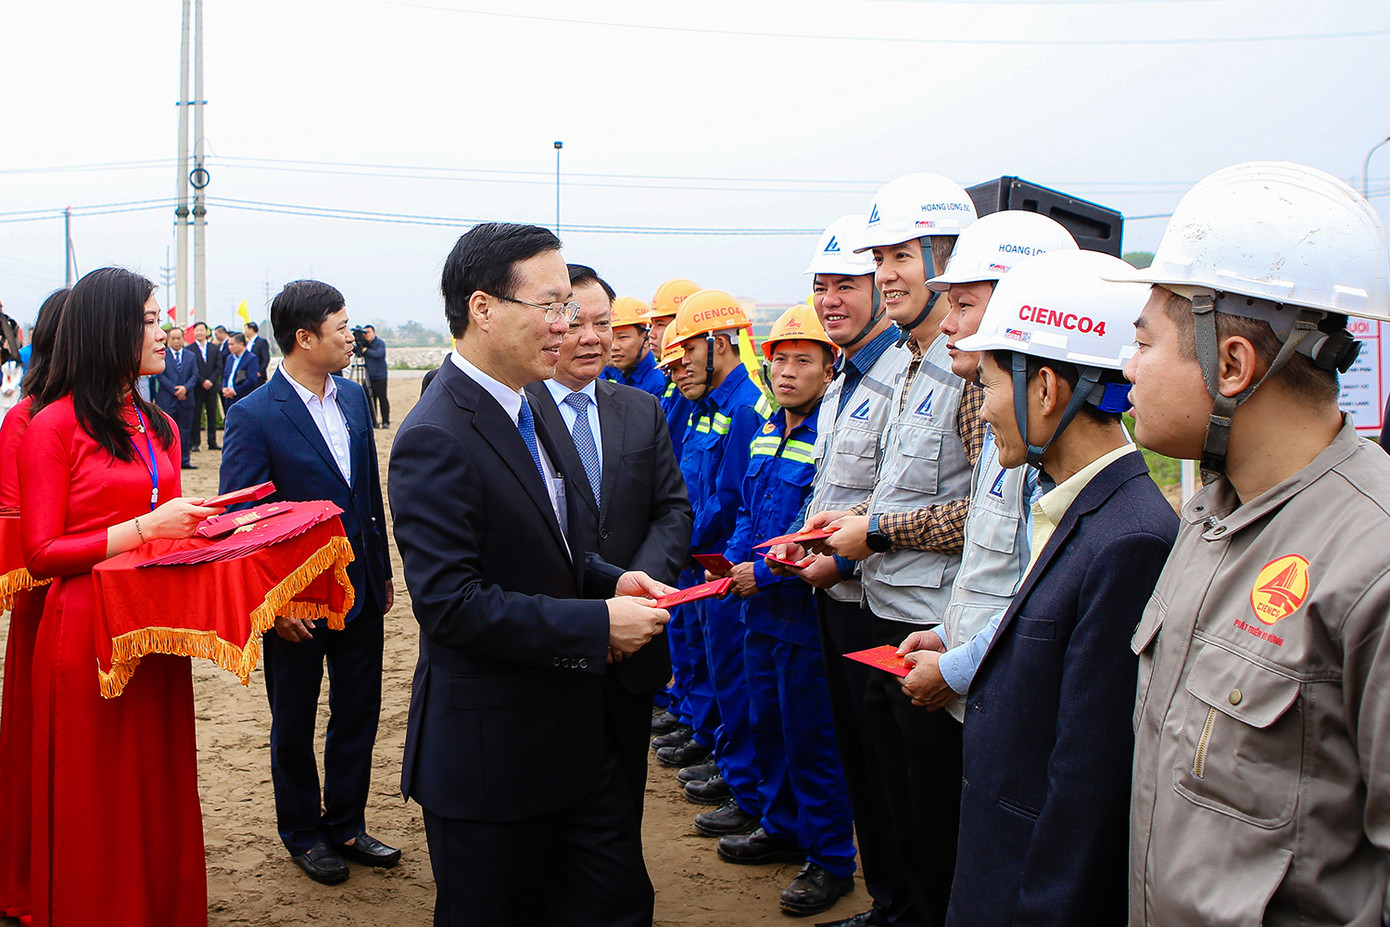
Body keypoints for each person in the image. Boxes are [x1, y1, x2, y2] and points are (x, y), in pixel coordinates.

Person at [1116, 162, 1390, 927]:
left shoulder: (1372, 561)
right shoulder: (1211, 514)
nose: (1128, 367)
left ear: (1231, 364)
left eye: (1144, 342)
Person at [389, 221, 675, 927]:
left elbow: (547, 545)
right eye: (551, 305)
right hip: (494, 761)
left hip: (576, 741)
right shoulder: (436, 433)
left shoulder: (528, 405)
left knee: (618, 905)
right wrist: (597, 624)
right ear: (483, 309)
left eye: (569, 307)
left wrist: (609, 582)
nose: (565, 325)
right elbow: (451, 604)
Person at [942, 249, 1177, 926]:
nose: (983, 409)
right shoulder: (1065, 506)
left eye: (988, 386)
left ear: (1045, 389)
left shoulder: (1130, 539)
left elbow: (1088, 782)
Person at [18, 267, 221, 927]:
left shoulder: (159, 425)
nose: (164, 333)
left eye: (161, 319)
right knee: (96, 793)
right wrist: (145, 528)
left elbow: (167, 527)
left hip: (152, 628)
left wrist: (213, 530)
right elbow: (41, 553)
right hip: (83, 631)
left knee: (158, 784)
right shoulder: (50, 427)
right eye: (149, 320)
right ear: (110, 329)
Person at [804, 172, 981, 926]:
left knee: (930, 817)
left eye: (901, 256)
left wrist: (873, 532)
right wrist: (849, 522)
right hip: (885, 610)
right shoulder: (913, 361)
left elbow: (989, 514)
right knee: (891, 799)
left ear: (946, 257)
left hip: (933, 624)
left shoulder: (969, 370)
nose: (886, 275)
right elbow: (900, 488)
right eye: (880, 259)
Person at [220, 279, 398, 886]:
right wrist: (272, 601)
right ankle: (302, 832)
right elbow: (241, 518)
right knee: (293, 720)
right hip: (297, 600)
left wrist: (381, 571)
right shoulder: (253, 415)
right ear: (304, 338)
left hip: (360, 589)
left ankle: (346, 823)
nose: (351, 337)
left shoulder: (352, 399)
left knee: (358, 711)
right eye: (341, 327)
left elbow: (366, 495)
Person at [771, 214, 912, 927]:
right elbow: (844, 490)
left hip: (884, 605)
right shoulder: (845, 379)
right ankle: (886, 900)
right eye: (821, 286)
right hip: (837, 593)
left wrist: (846, 551)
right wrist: (812, 543)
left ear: (880, 287)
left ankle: (902, 905)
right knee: (860, 762)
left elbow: (905, 500)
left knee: (894, 775)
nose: (830, 300)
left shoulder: (911, 372)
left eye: (846, 285)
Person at [525, 263, 691, 824]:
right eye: (575, 323)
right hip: (553, 645)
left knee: (621, 803)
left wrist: (635, 600)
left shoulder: (641, 409)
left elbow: (672, 510)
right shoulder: (517, 413)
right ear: (549, 325)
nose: (592, 338)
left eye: (604, 323)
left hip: (635, 647)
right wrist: (595, 618)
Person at [895, 211, 1079, 718]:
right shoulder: (1010, 429)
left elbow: (1042, 602)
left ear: (1020, 311)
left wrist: (955, 668)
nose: (947, 324)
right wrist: (946, 634)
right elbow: (993, 575)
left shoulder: (1055, 450)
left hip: (1009, 704)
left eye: (964, 305)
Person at [718, 306, 857, 916]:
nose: (788, 372)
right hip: (757, 613)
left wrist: (766, 572)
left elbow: (822, 532)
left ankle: (831, 859)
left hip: (802, 616)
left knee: (811, 740)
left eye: (805, 360)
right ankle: (780, 827)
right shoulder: (768, 429)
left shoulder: (832, 437)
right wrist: (730, 563)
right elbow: (748, 512)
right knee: (767, 725)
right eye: (781, 360)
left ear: (830, 370)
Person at [663, 289, 773, 839]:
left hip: (726, 567)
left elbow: (731, 500)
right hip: (702, 560)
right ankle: (732, 769)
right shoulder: (708, 408)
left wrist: (683, 543)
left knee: (735, 678)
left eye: (687, 351)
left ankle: (746, 788)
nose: (679, 365)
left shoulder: (745, 409)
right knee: (713, 667)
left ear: (720, 343)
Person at [0, 286, 66, 922]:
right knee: (39, 746)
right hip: (45, 603)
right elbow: (20, 525)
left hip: (106, 602)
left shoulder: (131, 417)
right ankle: (27, 881)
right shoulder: (27, 420)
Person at [154, 326, 199, 469]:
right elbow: (160, 375)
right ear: (168, 340)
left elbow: (195, 375)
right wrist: (176, 390)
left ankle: (184, 460)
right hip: (167, 400)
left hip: (187, 399)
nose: (176, 341)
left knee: (185, 431)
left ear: (183, 339)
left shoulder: (191, 356)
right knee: (166, 432)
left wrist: (185, 388)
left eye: (178, 338)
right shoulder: (162, 354)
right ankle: (167, 461)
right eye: (173, 338)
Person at [602, 296, 666, 398]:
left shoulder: (657, 384)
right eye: (610, 338)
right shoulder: (603, 372)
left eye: (623, 337)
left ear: (646, 339)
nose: (614, 347)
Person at [189, 319, 223, 450]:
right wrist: (202, 381)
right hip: (197, 388)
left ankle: (212, 442)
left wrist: (211, 380)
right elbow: (191, 369)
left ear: (206, 332)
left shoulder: (214, 348)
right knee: (196, 416)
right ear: (194, 332)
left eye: (202, 330)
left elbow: (218, 367)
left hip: (212, 387)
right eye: (197, 330)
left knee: (212, 416)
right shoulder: (190, 349)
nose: (199, 333)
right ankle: (195, 442)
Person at [359, 324, 390, 428]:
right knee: (369, 400)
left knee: (382, 399)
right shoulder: (364, 344)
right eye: (365, 333)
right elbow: (357, 352)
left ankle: (385, 421)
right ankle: (373, 422)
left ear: (374, 333)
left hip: (379, 376)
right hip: (368, 376)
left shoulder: (380, 343)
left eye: (368, 332)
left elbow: (378, 354)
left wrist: (366, 351)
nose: (366, 335)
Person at [221, 332, 259, 411]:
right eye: (228, 345)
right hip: (229, 397)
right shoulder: (230, 358)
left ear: (241, 344)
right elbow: (226, 375)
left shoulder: (251, 358)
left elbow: (252, 379)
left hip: (243, 397)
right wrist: (224, 387)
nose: (229, 347)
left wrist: (235, 391)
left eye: (232, 344)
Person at [244, 320, 271, 386]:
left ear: (251, 330)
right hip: (247, 376)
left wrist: (260, 371)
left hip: (258, 377)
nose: (244, 332)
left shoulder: (261, 342)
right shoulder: (246, 343)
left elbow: (265, 358)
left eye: (246, 330)